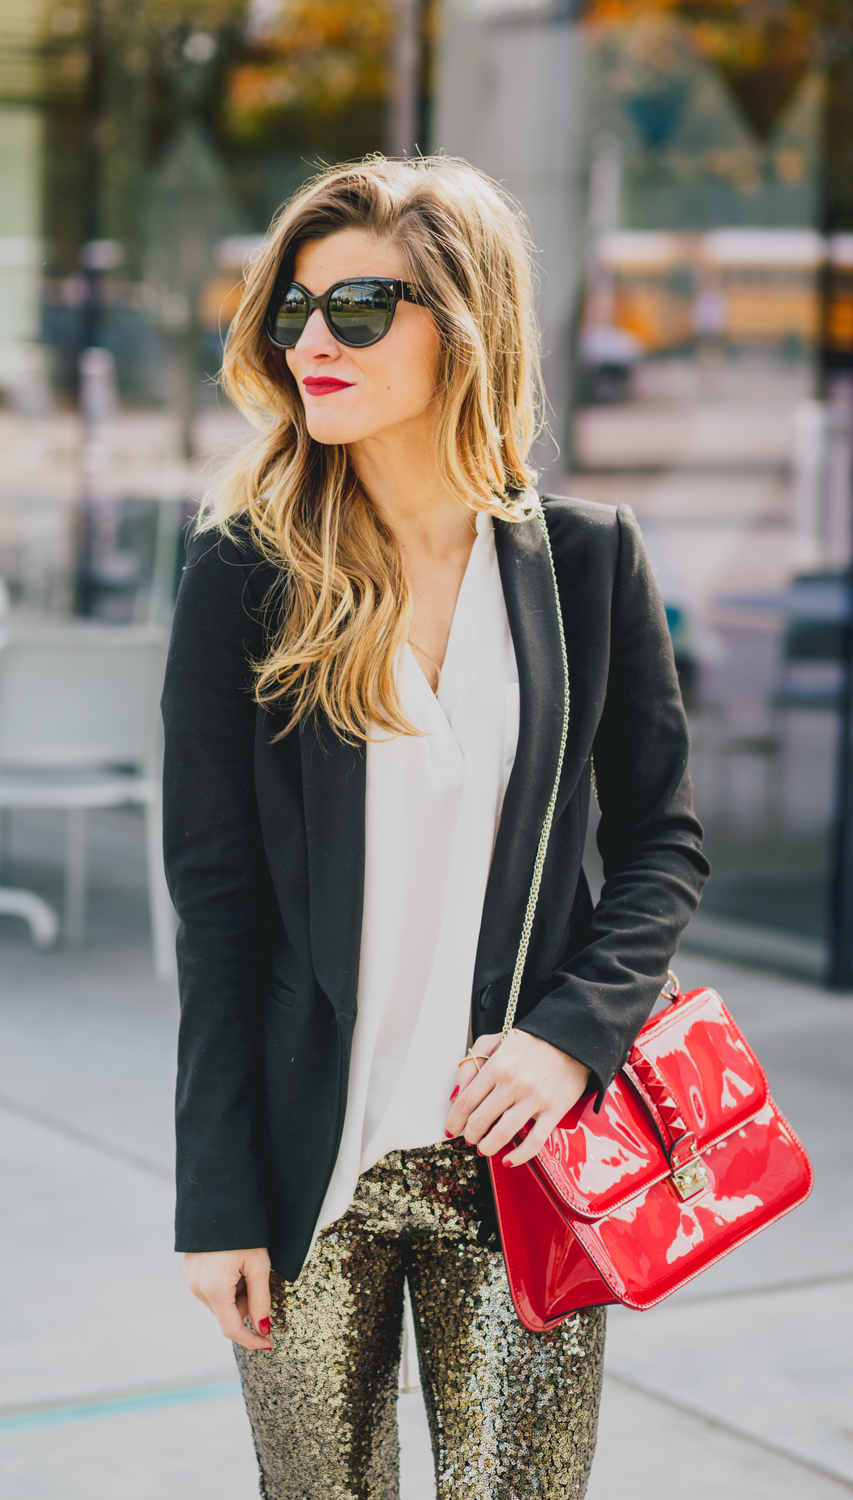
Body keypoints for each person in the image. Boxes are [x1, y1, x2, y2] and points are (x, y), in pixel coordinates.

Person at [161, 156, 708, 1500]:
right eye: (293, 310)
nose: (311, 342)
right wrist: (215, 1194)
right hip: (310, 1178)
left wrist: (572, 1038)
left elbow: (662, 842)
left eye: (360, 307)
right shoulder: (245, 574)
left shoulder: (587, 563)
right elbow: (217, 905)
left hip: (516, 1171)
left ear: (464, 323)